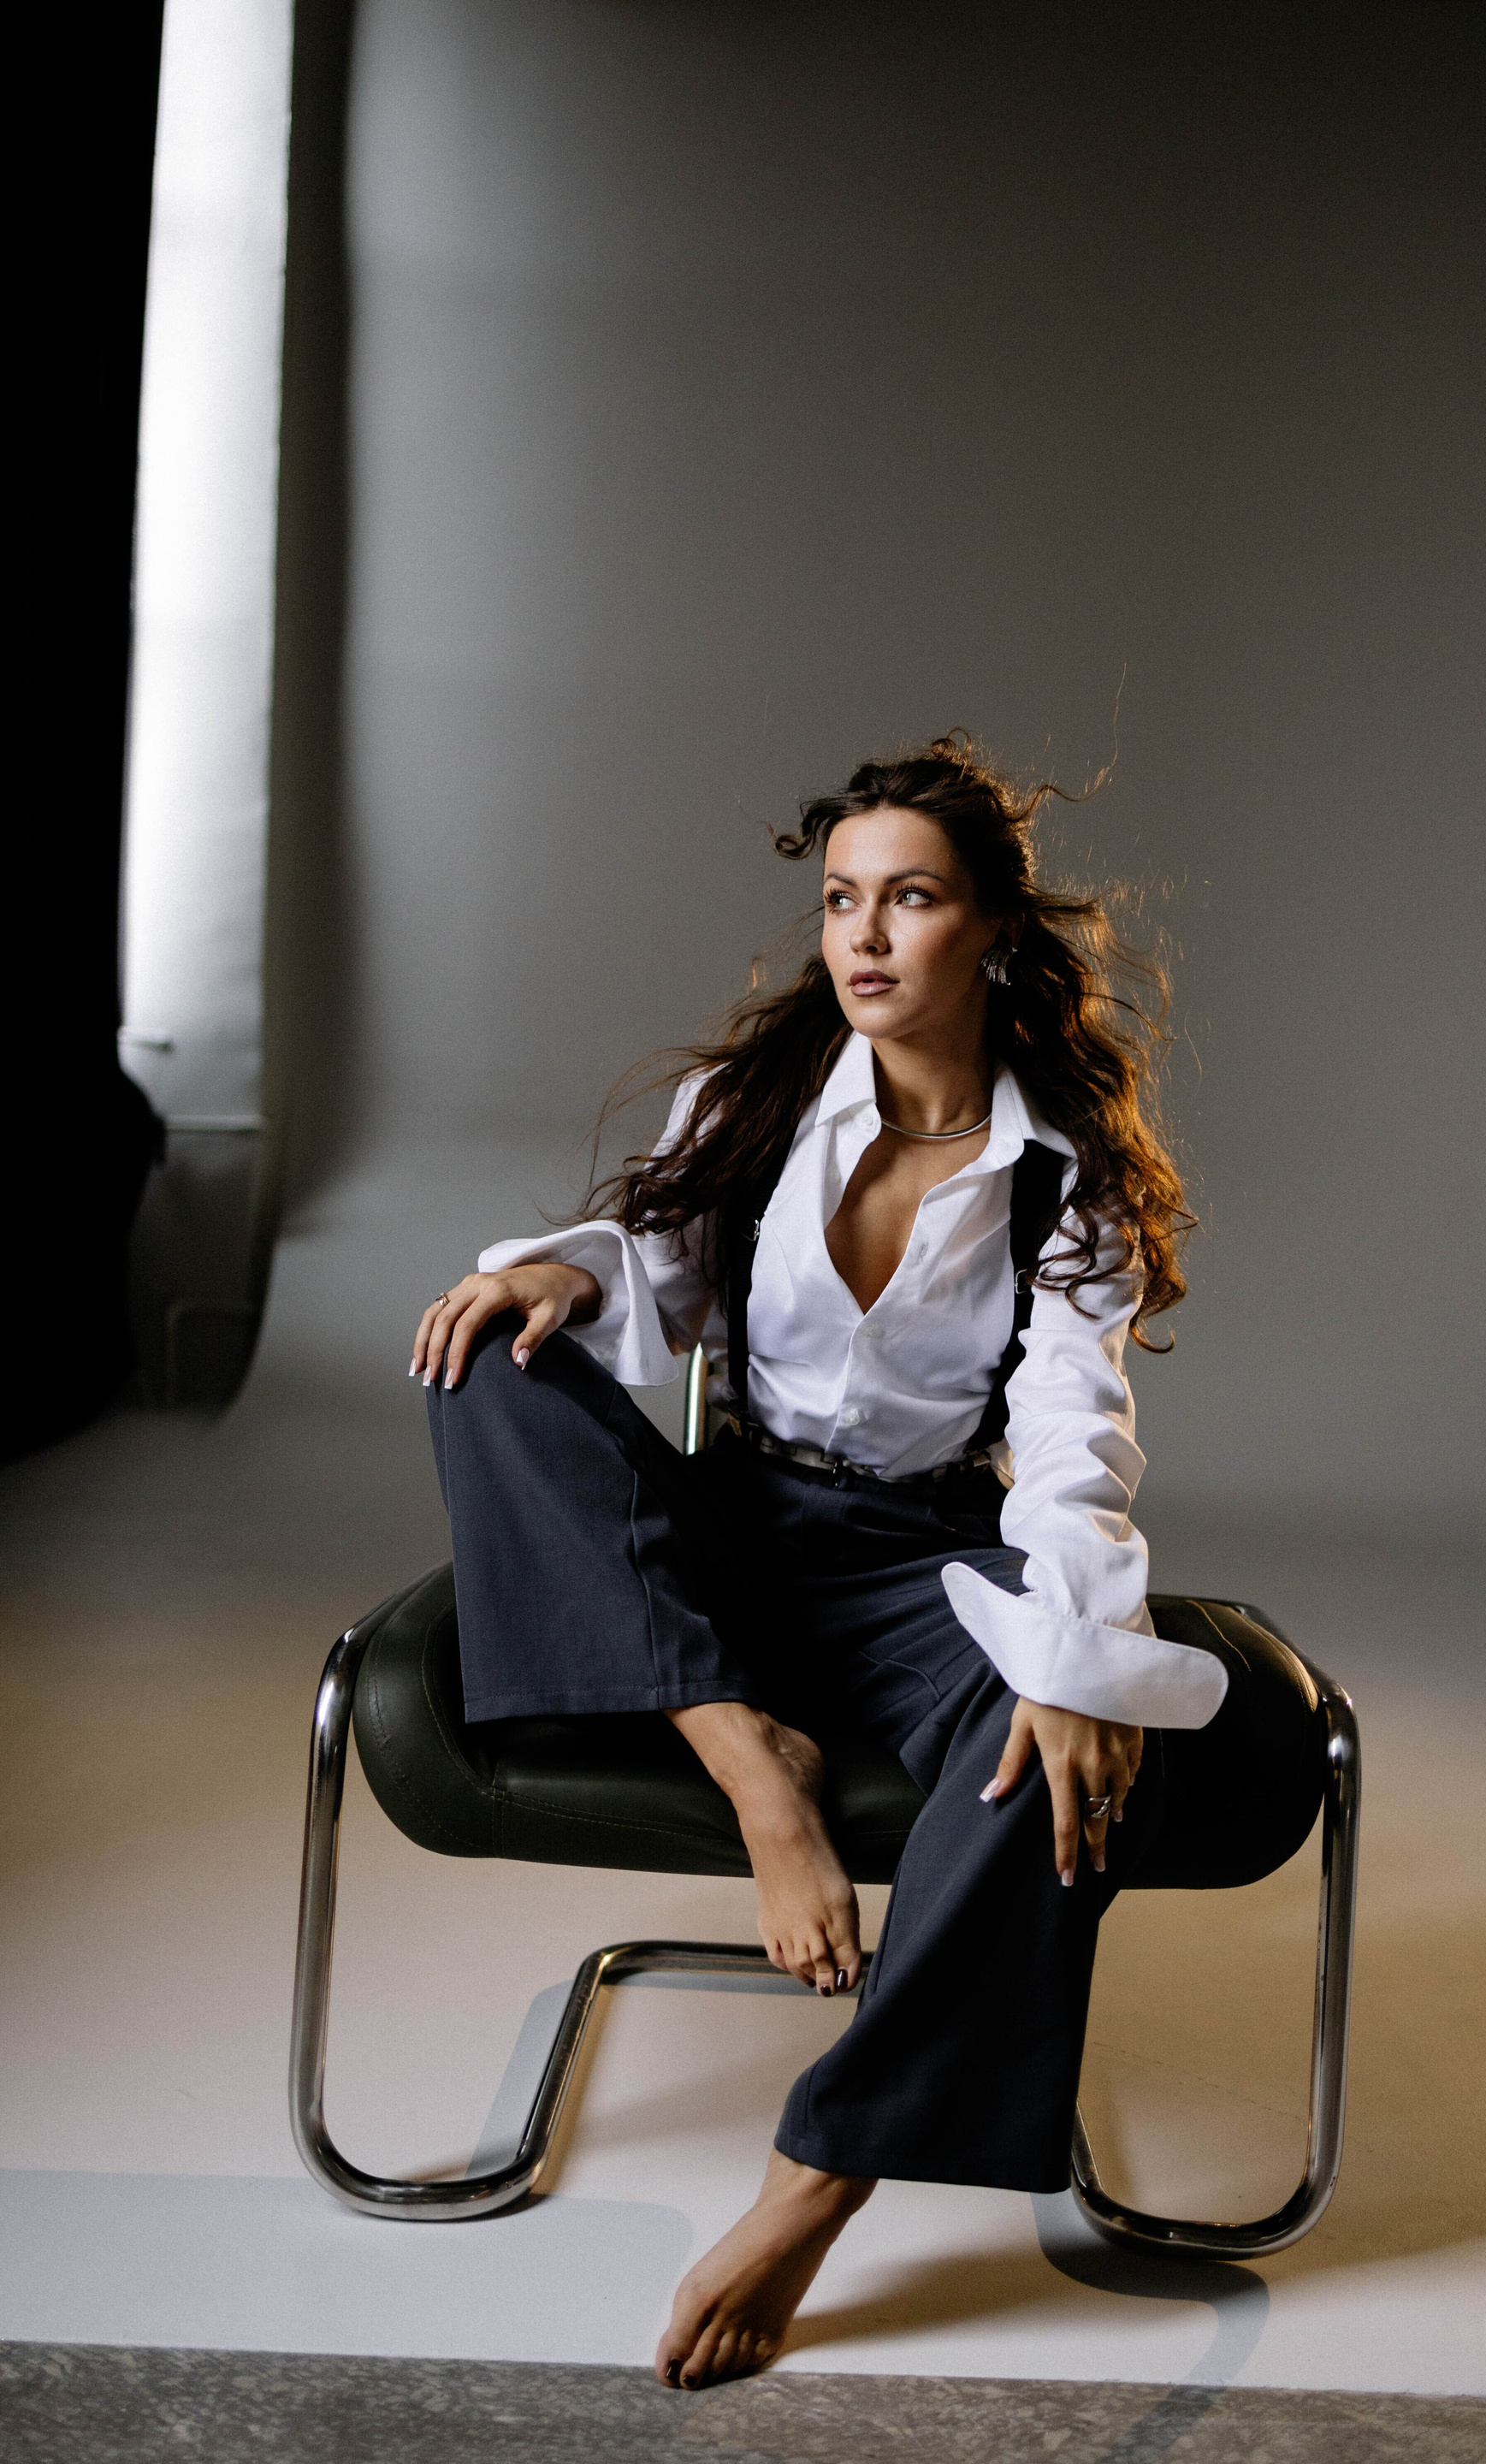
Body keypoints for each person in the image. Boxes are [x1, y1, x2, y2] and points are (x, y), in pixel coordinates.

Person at [411, 735, 1228, 2390]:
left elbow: (1074, 1438)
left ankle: (824, 2172)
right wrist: (571, 1276)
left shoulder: (1064, 1175)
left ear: (991, 928)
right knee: (490, 1354)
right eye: (843, 899)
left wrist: (1067, 1652)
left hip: (921, 1552)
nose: (863, 934)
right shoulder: (761, 1100)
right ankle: (749, 1760)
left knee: (1047, 1740)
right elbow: (656, 1263)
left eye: (909, 899)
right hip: (731, 1525)